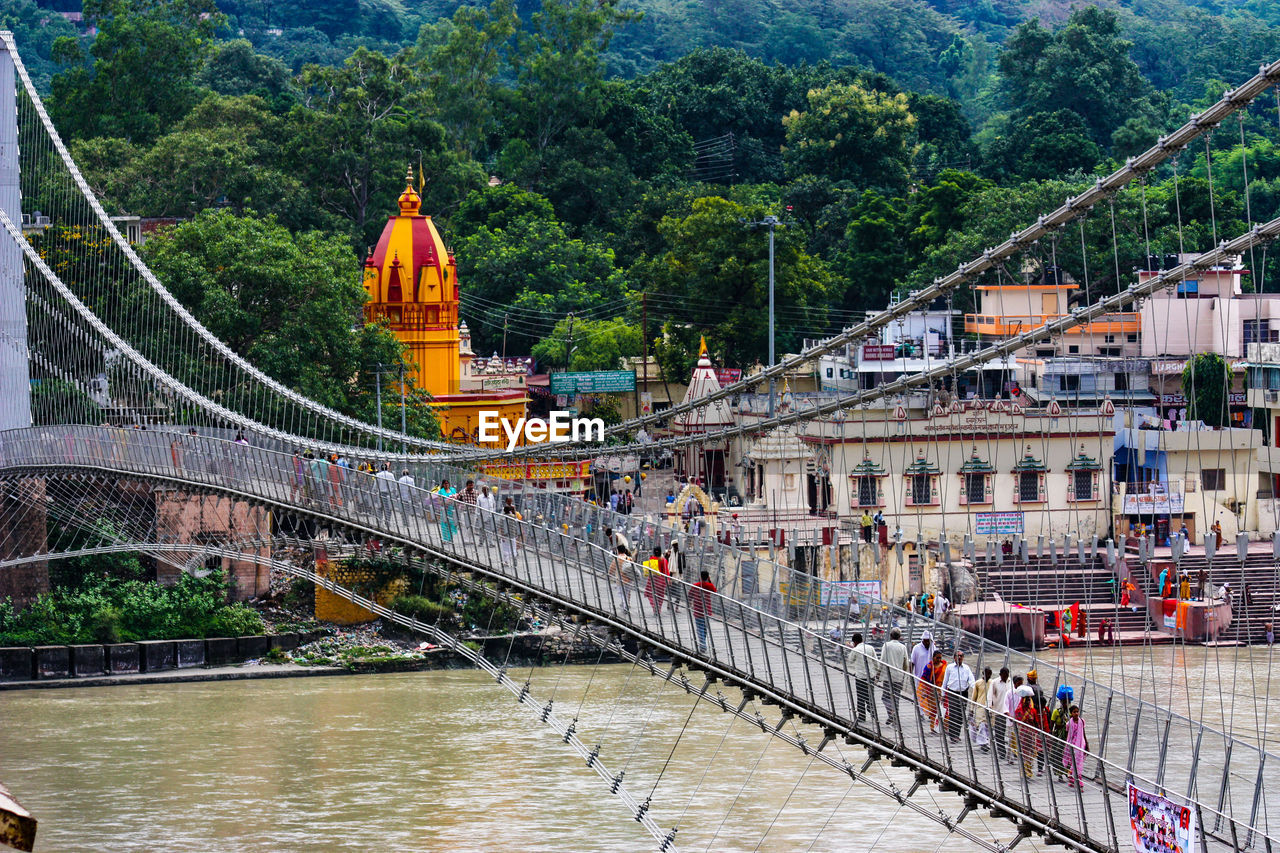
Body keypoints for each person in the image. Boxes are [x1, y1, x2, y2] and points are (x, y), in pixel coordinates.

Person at [942, 650, 975, 743]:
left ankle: (957, 733)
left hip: (964, 693)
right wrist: (943, 694)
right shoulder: (949, 667)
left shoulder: (967, 668)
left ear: (963, 658)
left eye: (961, 656)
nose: (959, 658)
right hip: (952, 692)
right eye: (958, 656)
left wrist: (977, 689)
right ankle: (953, 735)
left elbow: (971, 680)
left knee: (961, 714)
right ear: (954, 657)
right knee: (953, 714)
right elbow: (945, 681)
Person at [879, 627, 909, 726]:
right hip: (899, 676)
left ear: (891, 635)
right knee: (896, 698)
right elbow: (905, 663)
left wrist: (878, 673)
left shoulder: (886, 645)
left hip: (888, 676)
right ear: (899, 637)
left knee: (886, 697)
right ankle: (895, 718)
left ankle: (891, 713)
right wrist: (903, 672)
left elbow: (882, 660)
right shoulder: (903, 647)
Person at [849, 632, 879, 723]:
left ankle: (862, 716)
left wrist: (853, 649)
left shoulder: (856, 649)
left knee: (860, 696)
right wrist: (877, 672)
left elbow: (850, 660)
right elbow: (876, 662)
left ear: (854, 642)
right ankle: (873, 712)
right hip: (871, 676)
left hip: (860, 676)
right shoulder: (870, 648)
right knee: (870, 694)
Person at [1013, 688, 1042, 780]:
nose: (1028, 702)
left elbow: (1036, 722)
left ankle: (1028, 771)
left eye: (1029, 700)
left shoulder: (1033, 711)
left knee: (1030, 753)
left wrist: (1038, 732)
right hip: (1022, 735)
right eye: (1027, 700)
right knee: (1023, 753)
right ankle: (1024, 772)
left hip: (1031, 735)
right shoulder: (1018, 710)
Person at [986, 667, 1012, 761]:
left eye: (1007, 676)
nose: (1006, 678)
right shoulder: (995, 682)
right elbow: (989, 696)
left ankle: (1012, 754)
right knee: (999, 733)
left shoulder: (1010, 682)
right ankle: (1002, 752)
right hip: (999, 711)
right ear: (1001, 675)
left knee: (1010, 734)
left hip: (1009, 713)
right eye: (1004, 676)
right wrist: (989, 708)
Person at [1025, 669, 1049, 774]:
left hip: (1033, 727)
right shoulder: (1039, 689)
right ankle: (1039, 767)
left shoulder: (1028, 690)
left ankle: (1035, 767)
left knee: (1035, 748)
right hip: (1041, 730)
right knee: (1040, 749)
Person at [1048, 686, 1073, 782]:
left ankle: (1067, 772)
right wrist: (1050, 736)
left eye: (1067, 702)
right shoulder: (1056, 712)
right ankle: (1059, 774)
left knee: (1068, 755)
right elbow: (1051, 725)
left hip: (1067, 737)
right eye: (1064, 702)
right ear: (1061, 702)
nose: (1066, 704)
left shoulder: (1071, 713)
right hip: (1058, 736)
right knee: (1058, 754)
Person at [689, 570, 717, 652]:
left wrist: (690, 601)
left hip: (698, 610)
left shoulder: (696, 585)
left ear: (700, 577)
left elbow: (690, 595)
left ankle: (702, 645)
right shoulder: (710, 585)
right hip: (707, 611)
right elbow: (715, 591)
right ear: (708, 577)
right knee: (704, 629)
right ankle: (703, 644)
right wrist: (710, 581)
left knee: (700, 628)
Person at [921, 650, 947, 733]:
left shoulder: (944, 666)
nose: (939, 659)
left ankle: (945, 727)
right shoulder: (929, 667)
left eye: (940, 658)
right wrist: (924, 691)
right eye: (937, 658)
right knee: (933, 710)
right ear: (933, 657)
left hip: (942, 690)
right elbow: (924, 679)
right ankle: (933, 728)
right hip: (932, 691)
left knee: (944, 709)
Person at [1063, 705, 1088, 787]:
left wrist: (1087, 744)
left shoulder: (1082, 721)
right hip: (1073, 744)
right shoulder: (1069, 723)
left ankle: (1075, 778)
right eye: (1074, 712)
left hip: (1081, 744)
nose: (1076, 713)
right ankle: (1075, 778)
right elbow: (1068, 735)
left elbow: (1083, 733)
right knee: (1074, 762)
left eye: (1077, 711)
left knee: (1079, 762)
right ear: (1071, 713)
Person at [642, 546, 670, 614]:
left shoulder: (651, 559)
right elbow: (666, 571)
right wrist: (668, 579)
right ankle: (659, 608)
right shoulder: (664, 560)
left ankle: (654, 606)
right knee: (660, 596)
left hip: (653, 580)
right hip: (662, 580)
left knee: (650, 594)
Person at [609, 544, 634, 614]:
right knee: (626, 593)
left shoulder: (616, 559)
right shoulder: (629, 559)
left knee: (622, 594)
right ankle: (626, 606)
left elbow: (612, 568)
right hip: (629, 579)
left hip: (620, 579)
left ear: (618, 551)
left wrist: (609, 574)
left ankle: (625, 607)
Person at [972, 667, 993, 751]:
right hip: (980, 707)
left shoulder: (992, 683)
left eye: (990, 674)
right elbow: (974, 697)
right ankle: (983, 743)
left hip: (990, 707)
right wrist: (971, 709)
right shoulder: (978, 683)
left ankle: (985, 741)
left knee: (988, 726)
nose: (988, 675)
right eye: (987, 673)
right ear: (983, 674)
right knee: (982, 725)